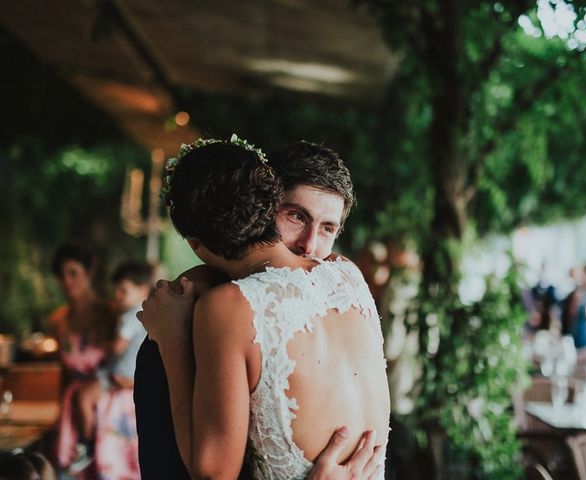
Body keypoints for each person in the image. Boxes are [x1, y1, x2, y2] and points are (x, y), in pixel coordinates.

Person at [138, 137, 389, 479]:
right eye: (296, 216)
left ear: (196, 244)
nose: (310, 245)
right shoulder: (348, 277)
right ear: (267, 205)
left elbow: (212, 472)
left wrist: (173, 341)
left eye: (328, 228)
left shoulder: (223, 309)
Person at [73, 261, 151, 478]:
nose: (117, 295)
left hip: (118, 374)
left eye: (123, 290)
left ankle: (84, 445)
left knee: (83, 397)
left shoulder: (129, 316)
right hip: (132, 376)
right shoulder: (147, 314)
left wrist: (101, 343)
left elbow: (118, 346)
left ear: (142, 289)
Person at [48, 242, 117, 475]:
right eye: (61, 275)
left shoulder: (112, 313)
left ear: (90, 272)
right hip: (74, 407)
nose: (66, 281)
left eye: (73, 273)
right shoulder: (59, 320)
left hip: (109, 403)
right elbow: (64, 373)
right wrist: (60, 416)